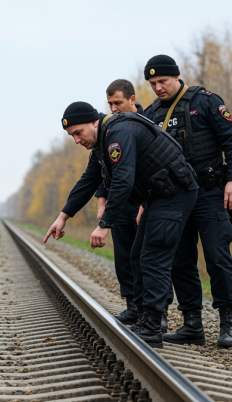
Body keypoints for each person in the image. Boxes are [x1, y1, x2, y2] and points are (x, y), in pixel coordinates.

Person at [44, 101, 198, 348]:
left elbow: (123, 180)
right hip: (159, 196)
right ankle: (146, 318)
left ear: (94, 122)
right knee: (139, 255)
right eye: (72, 135)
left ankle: (152, 326)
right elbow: (88, 181)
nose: (76, 140)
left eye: (78, 132)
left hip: (174, 193)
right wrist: (63, 217)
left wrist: (105, 224)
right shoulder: (103, 140)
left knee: (153, 257)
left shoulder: (119, 132)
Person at [142, 55, 232, 348]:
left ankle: (228, 324)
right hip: (172, 199)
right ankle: (192, 324)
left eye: (162, 81)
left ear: (176, 76)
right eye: (152, 84)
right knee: (179, 261)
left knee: (217, 258)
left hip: (210, 191)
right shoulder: (151, 114)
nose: (158, 88)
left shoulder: (207, 101)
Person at [97, 80, 144, 326]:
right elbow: (105, 169)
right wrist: (101, 202)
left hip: (144, 201)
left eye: (118, 102)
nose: (114, 108)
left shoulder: (146, 123)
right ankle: (132, 306)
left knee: (145, 258)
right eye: (110, 104)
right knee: (124, 256)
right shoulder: (112, 129)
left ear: (132, 99)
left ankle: (157, 313)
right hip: (120, 203)